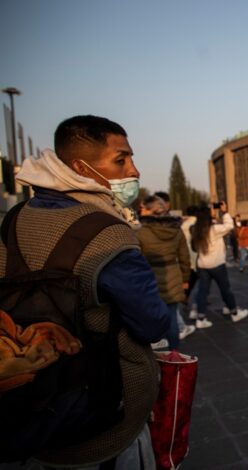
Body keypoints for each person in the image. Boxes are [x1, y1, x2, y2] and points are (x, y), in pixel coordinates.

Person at [4, 115, 170, 467]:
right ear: (82, 167)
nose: (135, 170)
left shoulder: (14, 219)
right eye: (121, 159)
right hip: (104, 415)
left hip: (30, 406)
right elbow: (152, 324)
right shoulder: (109, 233)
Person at [137, 195, 190, 350]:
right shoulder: (176, 229)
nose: (140, 211)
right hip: (172, 274)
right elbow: (184, 257)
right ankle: (175, 353)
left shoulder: (141, 232)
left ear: (149, 211)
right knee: (172, 317)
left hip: (150, 277)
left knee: (152, 317)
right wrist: (185, 278)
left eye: (143, 209)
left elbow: (137, 260)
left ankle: (157, 347)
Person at [191, 202, 248, 327]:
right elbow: (229, 226)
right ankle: (234, 312)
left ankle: (201, 318)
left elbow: (195, 248)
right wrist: (225, 212)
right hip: (217, 264)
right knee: (225, 289)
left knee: (203, 291)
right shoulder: (214, 229)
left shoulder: (195, 230)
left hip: (202, 265)